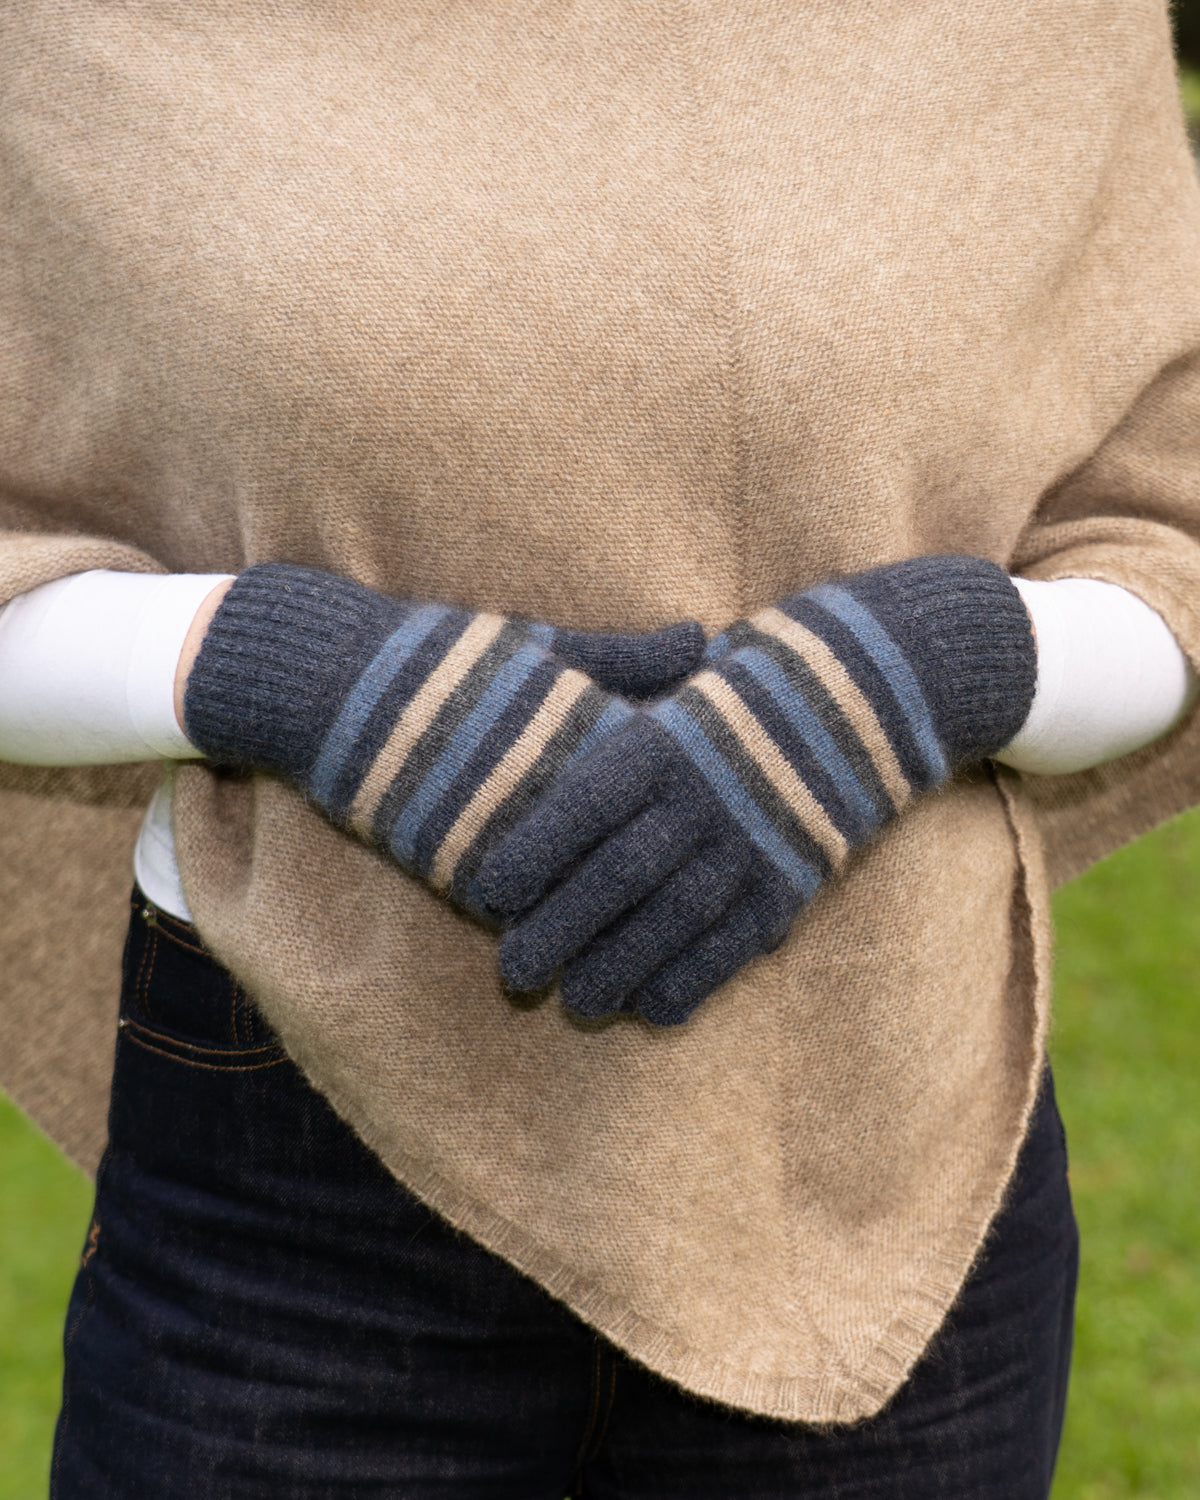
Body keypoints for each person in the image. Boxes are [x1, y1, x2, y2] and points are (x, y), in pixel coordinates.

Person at [2, 2, 1200, 1494]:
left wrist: (923, 673)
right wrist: (296, 678)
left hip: (883, 1139)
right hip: (287, 1151)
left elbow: (1168, 537)